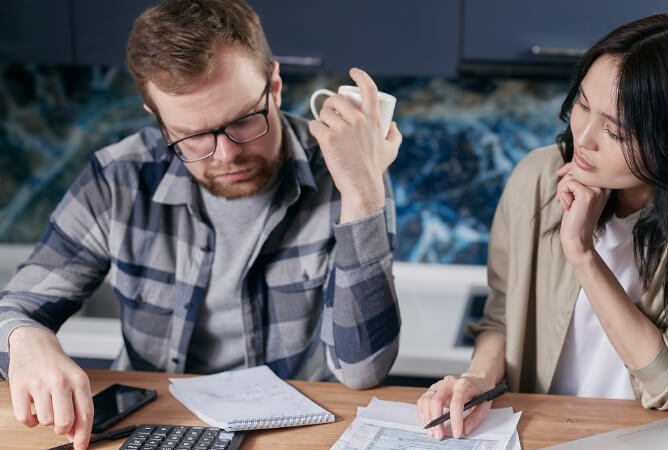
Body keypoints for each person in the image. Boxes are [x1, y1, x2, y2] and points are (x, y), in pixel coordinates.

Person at [0, 0, 402, 448]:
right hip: (154, 429)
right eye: (192, 137)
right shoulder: (118, 178)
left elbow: (363, 370)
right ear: (159, 121)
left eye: (244, 121)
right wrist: (26, 340)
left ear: (274, 85)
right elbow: (15, 308)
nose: (226, 156)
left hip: (293, 434)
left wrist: (363, 193)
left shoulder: (347, 169)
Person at [417, 12, 668, 440]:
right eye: (583, 104)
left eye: (615, 131)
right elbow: (501, 318)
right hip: (542, 435)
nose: (583, 138)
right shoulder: (537, 178)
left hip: (653, 438)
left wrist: (582, 253)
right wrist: (477, 378)